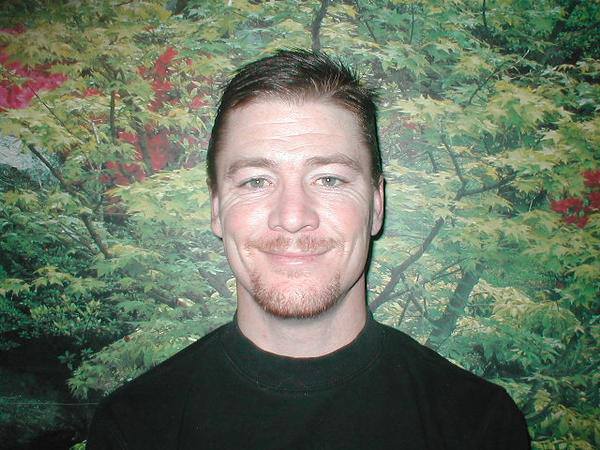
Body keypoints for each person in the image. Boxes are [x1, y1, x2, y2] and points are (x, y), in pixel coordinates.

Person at [87, 49, 530, 449]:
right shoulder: (134, 429)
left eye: (329, 179)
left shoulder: (478, 427)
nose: (294, 216)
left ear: (376, 207)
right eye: (256, 181)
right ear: (217, 210)